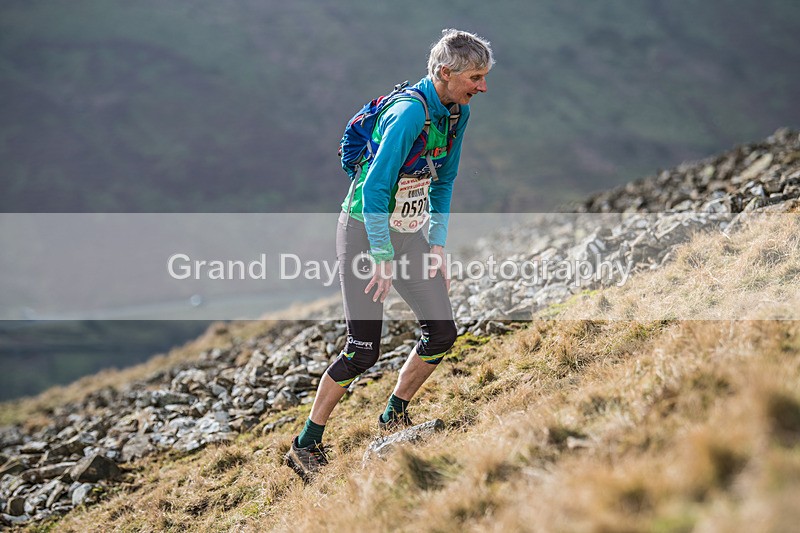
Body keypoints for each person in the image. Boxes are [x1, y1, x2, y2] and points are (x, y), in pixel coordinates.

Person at [285, 28, 494, 482]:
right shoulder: (406, 115)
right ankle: (305, 444)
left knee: (442, 333)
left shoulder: (456, 113)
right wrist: (381, 256)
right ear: (445, 72)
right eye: (475, 77)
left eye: (483, 77)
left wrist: (436, 244)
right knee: (362, 351)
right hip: (364, 232)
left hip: (407, 232)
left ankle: (393, 416)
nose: (482, 86)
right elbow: (377, 189)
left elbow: (444, 179)